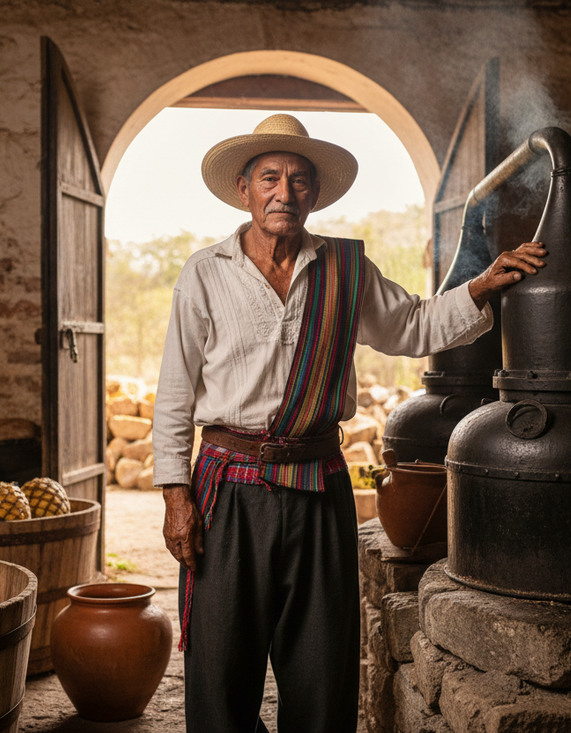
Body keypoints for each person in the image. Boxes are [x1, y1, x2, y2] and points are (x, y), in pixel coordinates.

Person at [153, 113, 546, 733]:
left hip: (317, 486)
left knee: (321, 663)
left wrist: (483, 286)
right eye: (270, 178)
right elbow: (175, 391)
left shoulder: (344, 269)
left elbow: (413, 325)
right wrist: (177, 496)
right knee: (220, 666)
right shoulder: (205, 272)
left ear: (315, 194)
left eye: (300, 180)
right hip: (228, 491)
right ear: (244, 189)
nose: (285, 192)